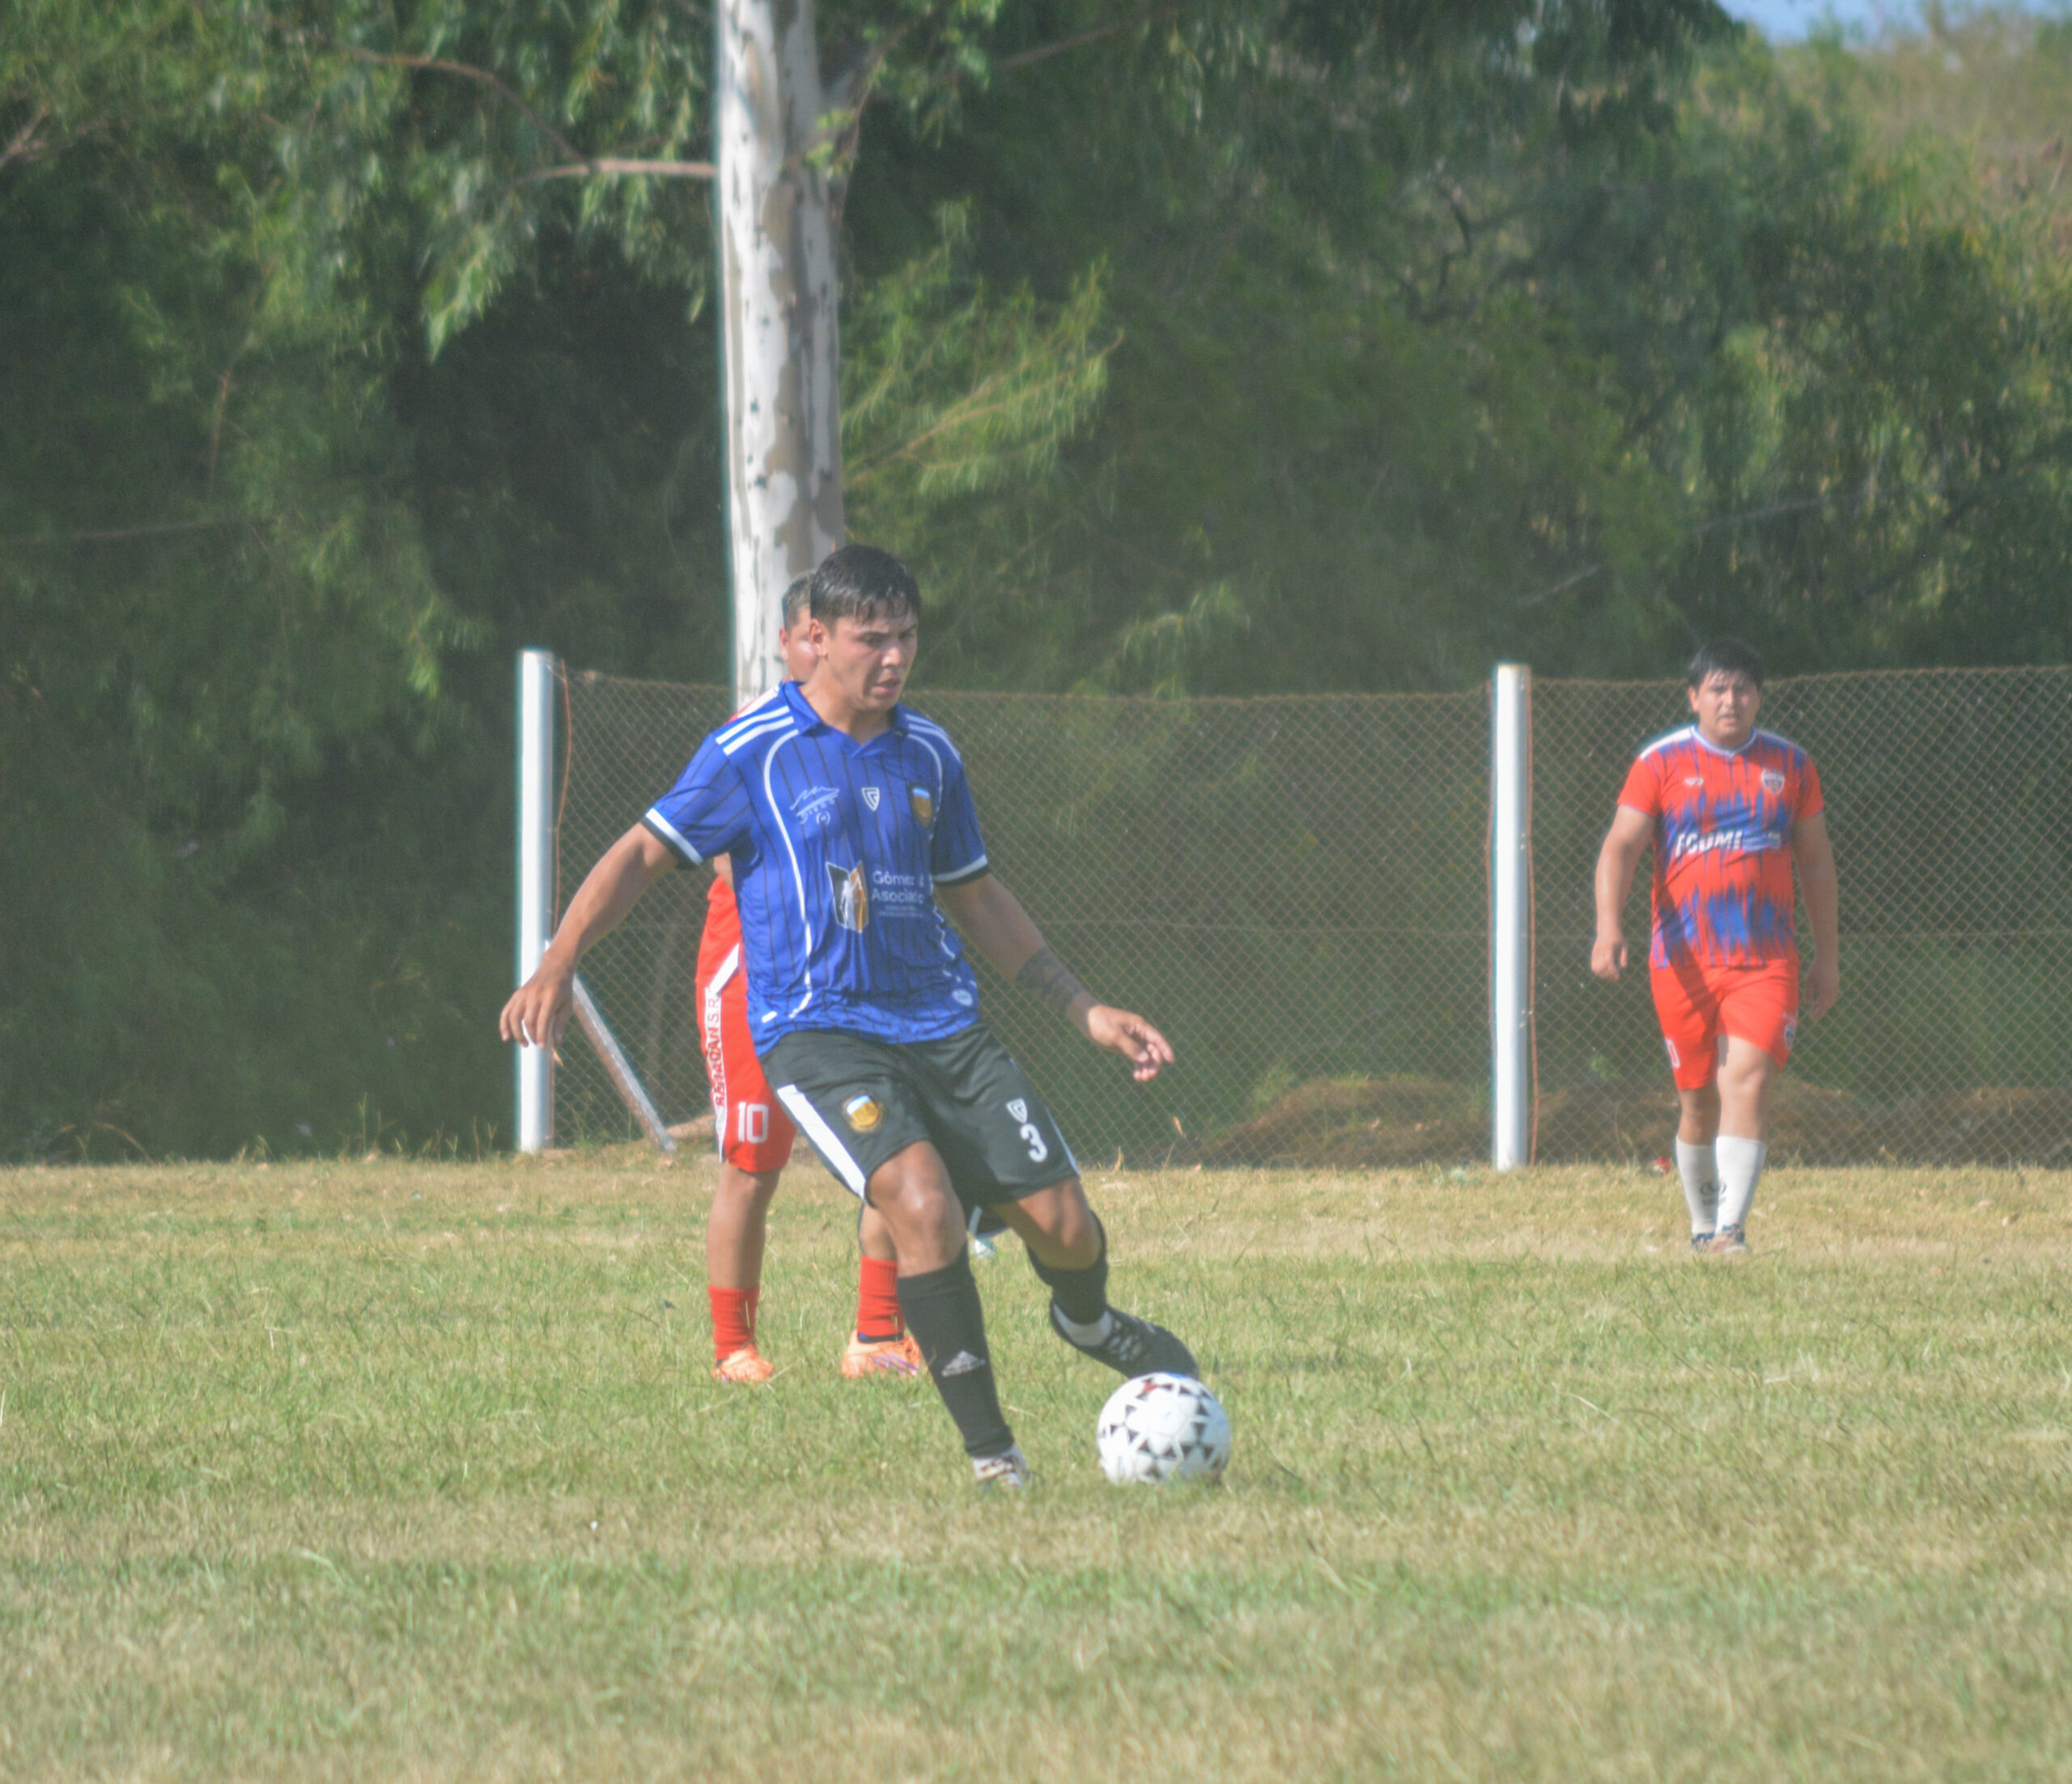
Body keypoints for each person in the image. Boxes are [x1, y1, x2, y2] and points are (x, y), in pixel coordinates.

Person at [503, 544, 1196, 1487]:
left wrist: (1084, 1008)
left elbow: (976, 894)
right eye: (872, 638)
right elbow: (639, 852)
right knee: (920, 1202)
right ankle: (995, 1458)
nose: (894, 656)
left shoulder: (930, 752)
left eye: (906, 636)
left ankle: (1087, 1319)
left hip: (943, 1025)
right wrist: (558, 960)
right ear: (815, 638)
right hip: (818, 1029)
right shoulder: (752, 750)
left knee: (1066, 1227)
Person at [696, 578, 924, 1383]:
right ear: (796, 642)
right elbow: (724, 858)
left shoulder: (890, 741)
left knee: (895, 1154)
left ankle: (877, 1336)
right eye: (804, 638)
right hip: (753, 976)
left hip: (856, 976)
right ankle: (733, 1349)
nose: (815, 654)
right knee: (753, 1164)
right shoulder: (754, 737)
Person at [1591, 639, 1839, 1255]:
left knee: (1747, 1081)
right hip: (1682, 962)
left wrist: (1828, 956)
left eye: (1743, 689)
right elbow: (1621, 847)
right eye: (1718, 689)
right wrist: (1608, 927)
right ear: (1694, 697)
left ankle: (1731, 1229)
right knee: (1698, 1101)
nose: (1732, 700)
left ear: (1759, 697)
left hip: (1766, 960)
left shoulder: (1791, 766)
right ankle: (1703, 1228)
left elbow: (1815, 862)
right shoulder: (1660, 762)